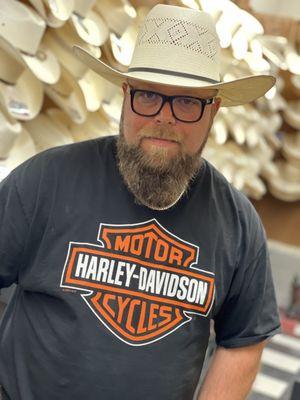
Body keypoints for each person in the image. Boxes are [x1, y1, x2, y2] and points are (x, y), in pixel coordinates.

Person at [0, 4, 281, 400]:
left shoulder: (236, 222)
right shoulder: (46, 181)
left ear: (214, 110)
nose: (164, 118)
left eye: (187, 102)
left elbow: (245, 339)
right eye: (149, 95)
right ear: (126, 94)